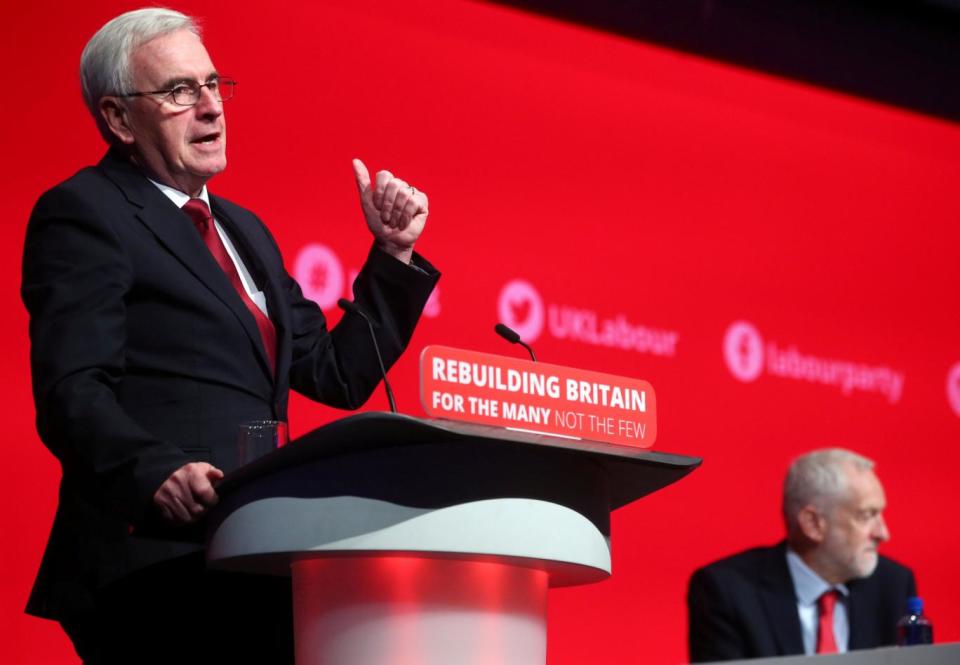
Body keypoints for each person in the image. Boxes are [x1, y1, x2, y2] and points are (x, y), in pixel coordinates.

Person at [21, 8, 439, 664]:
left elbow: (337, 372)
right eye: (180, 91)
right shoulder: (86, 212)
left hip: (254, 555)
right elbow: (72, 390)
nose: (211, 108)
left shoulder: (245, 231)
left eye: (214, 85)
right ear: (119, 119)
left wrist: (392, 254)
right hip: (154, 563)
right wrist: (154, 470)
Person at [687, 448, 916, 662]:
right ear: (813, 523)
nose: (883, 533)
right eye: (866, 515)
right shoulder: (727, 590)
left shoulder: (894, 583)